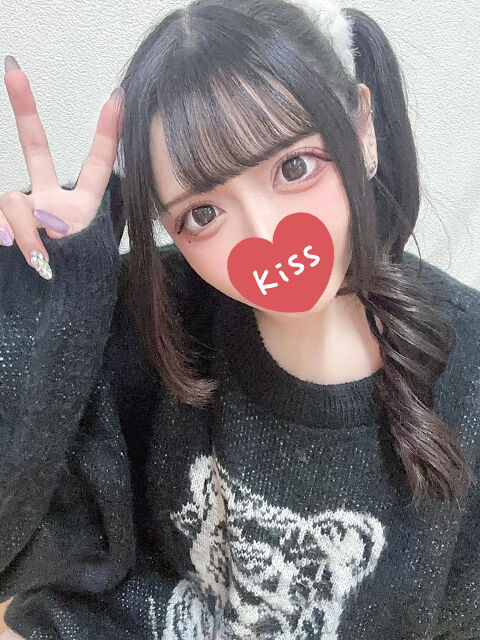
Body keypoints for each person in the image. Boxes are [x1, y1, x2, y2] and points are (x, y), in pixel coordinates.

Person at [0, 0, 479, 638]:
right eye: (202, 213)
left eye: (295, 167)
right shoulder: (146, 323)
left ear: (362, 129)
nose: (264, 234)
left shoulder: (470, 370)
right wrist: (42, 311)